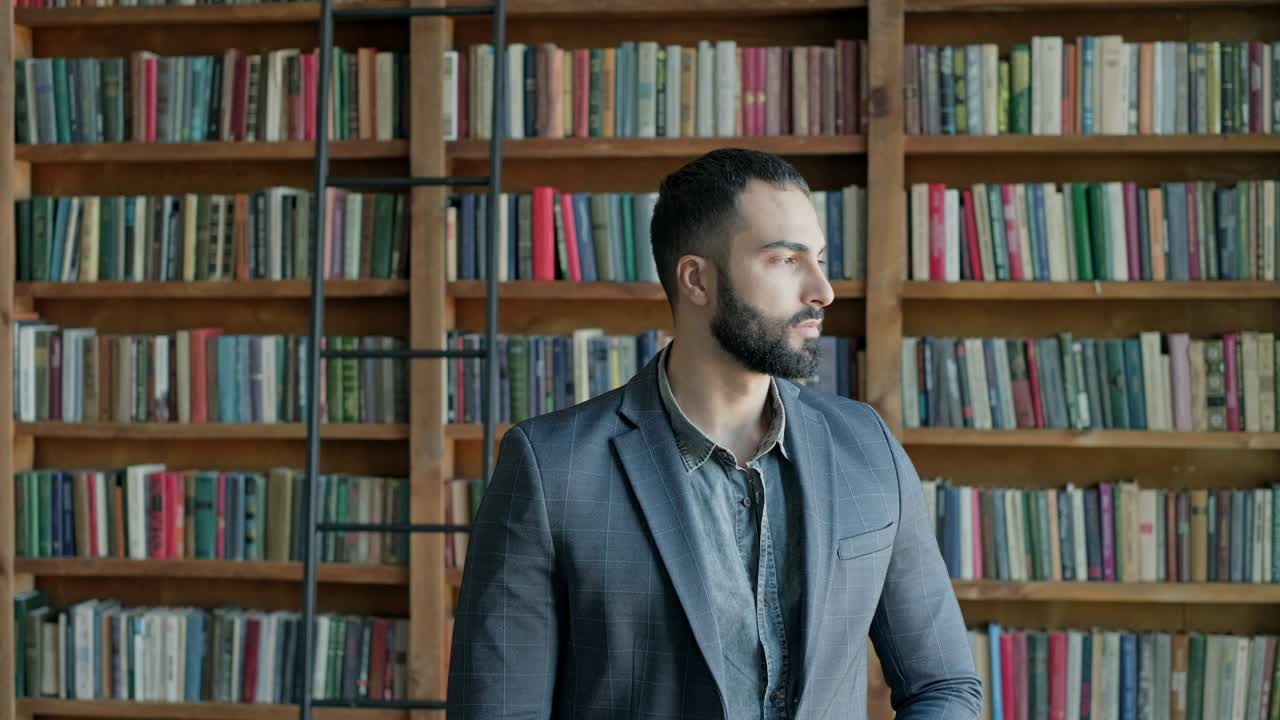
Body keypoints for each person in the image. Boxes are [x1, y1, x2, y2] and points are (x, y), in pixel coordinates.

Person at [446, 148, 982, 720]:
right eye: (785, 260)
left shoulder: (868, 447)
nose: (822, 290)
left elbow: (944, 685)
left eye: (819, 260)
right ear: (697, 279)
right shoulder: (551, 469)